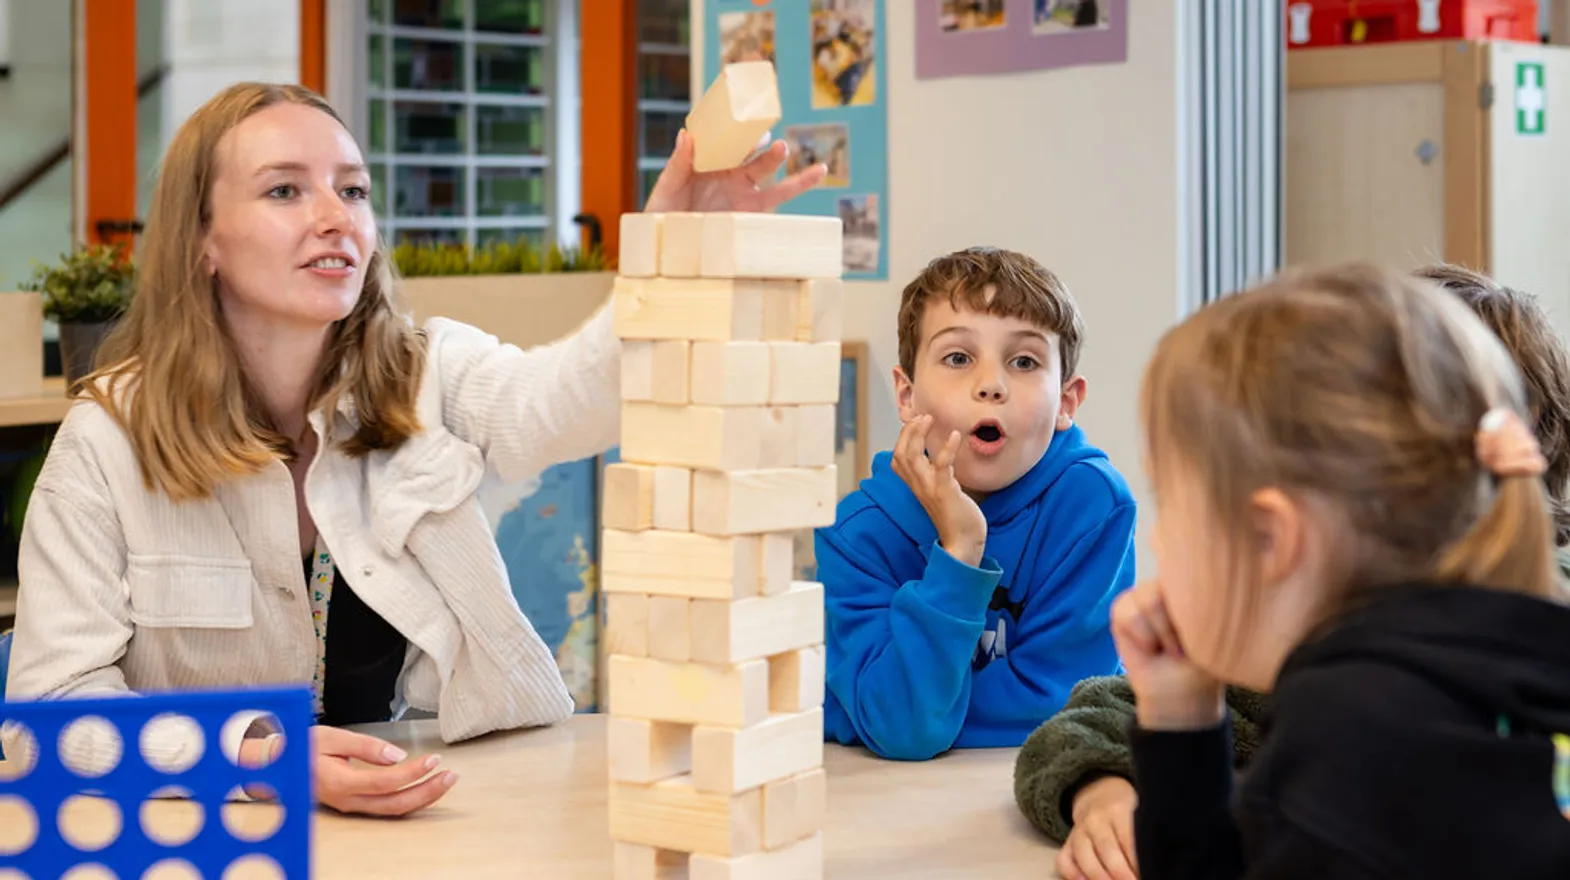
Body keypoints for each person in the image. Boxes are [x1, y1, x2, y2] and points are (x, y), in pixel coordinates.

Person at [0, 82, 825, 816]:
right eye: (285, 189)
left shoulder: (429, 370)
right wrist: (252, 759)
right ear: (201, 242)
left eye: (352, 189)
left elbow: (563, 405)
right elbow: (48, 719)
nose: (336, 216)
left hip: (422, 813)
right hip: (211, 833)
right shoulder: (108, 439)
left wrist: (670, 255)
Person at [1017, 262, 1570, 880]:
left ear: (1270, 538)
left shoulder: (1350, 734)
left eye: (1170, 502)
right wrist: (1181, 721)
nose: (1156, 536)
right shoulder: (1443, 683)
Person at [815, 246, 1136, 761]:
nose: (991, 385)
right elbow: (906, 730)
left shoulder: (1093, 506)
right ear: (906, 395)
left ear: (1067, 403)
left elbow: (1066, 702)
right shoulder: (855, 536)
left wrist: (893, 710)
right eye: (958, 358)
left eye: (1025, 361)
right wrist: (961, 549)